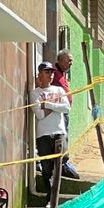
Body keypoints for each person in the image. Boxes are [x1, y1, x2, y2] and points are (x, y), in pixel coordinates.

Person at [31, 60, 72, 196]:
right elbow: (40, 115)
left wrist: (48, 105)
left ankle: (56, 194)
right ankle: (50, 197)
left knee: (61, 159)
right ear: (40, 75)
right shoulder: (35, 93)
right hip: (43, 134)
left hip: (59, 132)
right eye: (47, 72)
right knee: (46, 168)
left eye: (52, 72)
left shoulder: (59, 90)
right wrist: (55, 106)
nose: (51, 75)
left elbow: (66, 108)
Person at [50, 49, 80, 178]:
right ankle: (62, 164)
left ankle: (64, 162)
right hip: (59, 112)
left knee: (65, 136)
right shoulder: (54, 73)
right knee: (61, 137)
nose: (71, 63)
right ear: (61, 60)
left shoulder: (62, 74)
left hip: (64, 111)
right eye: (69, 60)